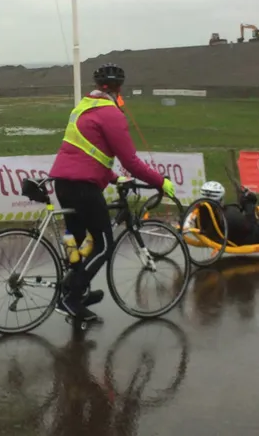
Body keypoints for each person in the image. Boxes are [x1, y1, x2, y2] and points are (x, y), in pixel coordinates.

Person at [49, 62, 175, 321]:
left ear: (97, 86)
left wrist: (115, 178)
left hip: (63, 181)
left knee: (79, 240)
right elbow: (130, 161)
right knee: (104, 244)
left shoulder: (82, 108)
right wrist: (160, 182)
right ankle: (71, 299)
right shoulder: (111, 114)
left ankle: (77, 290)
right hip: (83, 186)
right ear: (120, 89)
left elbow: (86, 151)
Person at [184, 181, 259, 246]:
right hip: (251, 237)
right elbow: (250, 227)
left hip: (225, 235)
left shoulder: (201, 211)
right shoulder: (229, 215)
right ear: (220, 198)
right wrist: (250, 204)